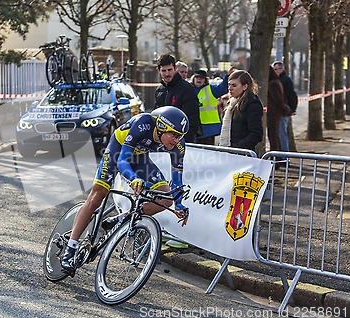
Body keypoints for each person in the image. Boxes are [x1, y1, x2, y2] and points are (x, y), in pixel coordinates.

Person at [61, 106, 190, 274]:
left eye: (180, 136)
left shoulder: (178, 146)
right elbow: (122, 161)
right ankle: (70, 248)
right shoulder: (142, 123)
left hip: (140, 157)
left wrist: (179, 205)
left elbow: (177, 181)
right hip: (118, 151)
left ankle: (121, 218)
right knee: (97, 195)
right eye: (173, 134)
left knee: (166, 199)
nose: (176, 139)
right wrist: (134, 178)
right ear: (161, 128)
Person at [154, 54, 200, 143]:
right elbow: (156, 117)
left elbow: (192, 120)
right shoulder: (159, 90)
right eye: (164, 71)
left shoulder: (187, 89)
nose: (167, 74)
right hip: (162, 142)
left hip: (181, 141)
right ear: (158, 70)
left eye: (170, 70)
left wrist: (184, 142)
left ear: (175, 68)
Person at [218, 70, 263, 152]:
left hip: (242, 155)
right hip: (230, 151)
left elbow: (256, 134)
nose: (230, 88)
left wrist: (236, 148)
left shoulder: (252, 103)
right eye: (229, 85)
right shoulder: (232, 102)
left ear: (245, 87)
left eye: (234, 85)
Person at [191, 67, 235, 145]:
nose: (199, 79)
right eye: (197, 77)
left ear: (205, 80)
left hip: (209, 129)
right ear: (193, 78)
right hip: (194, 128)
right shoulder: (189, 90)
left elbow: (222, 89)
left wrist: (227, 76)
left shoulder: (210, 89)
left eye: (202, 78)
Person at [272, 61, 298, 152]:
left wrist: (290, 109)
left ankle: (284, 157)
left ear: (281, 69)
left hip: (283, 112)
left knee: (281, 135)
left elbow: (292, 95)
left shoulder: (285, 80)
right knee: (281, 134)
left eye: (276, 69)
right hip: (283, 111)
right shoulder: (281, 80)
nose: (274, 71)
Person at [267, 66, 290, 152]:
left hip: (273, 113)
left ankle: (276, 157)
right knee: (275, 135)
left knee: (273, 135)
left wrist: (284, 107)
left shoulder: (273, 84)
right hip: (276, 112)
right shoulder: (276, 82)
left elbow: (278, 99)